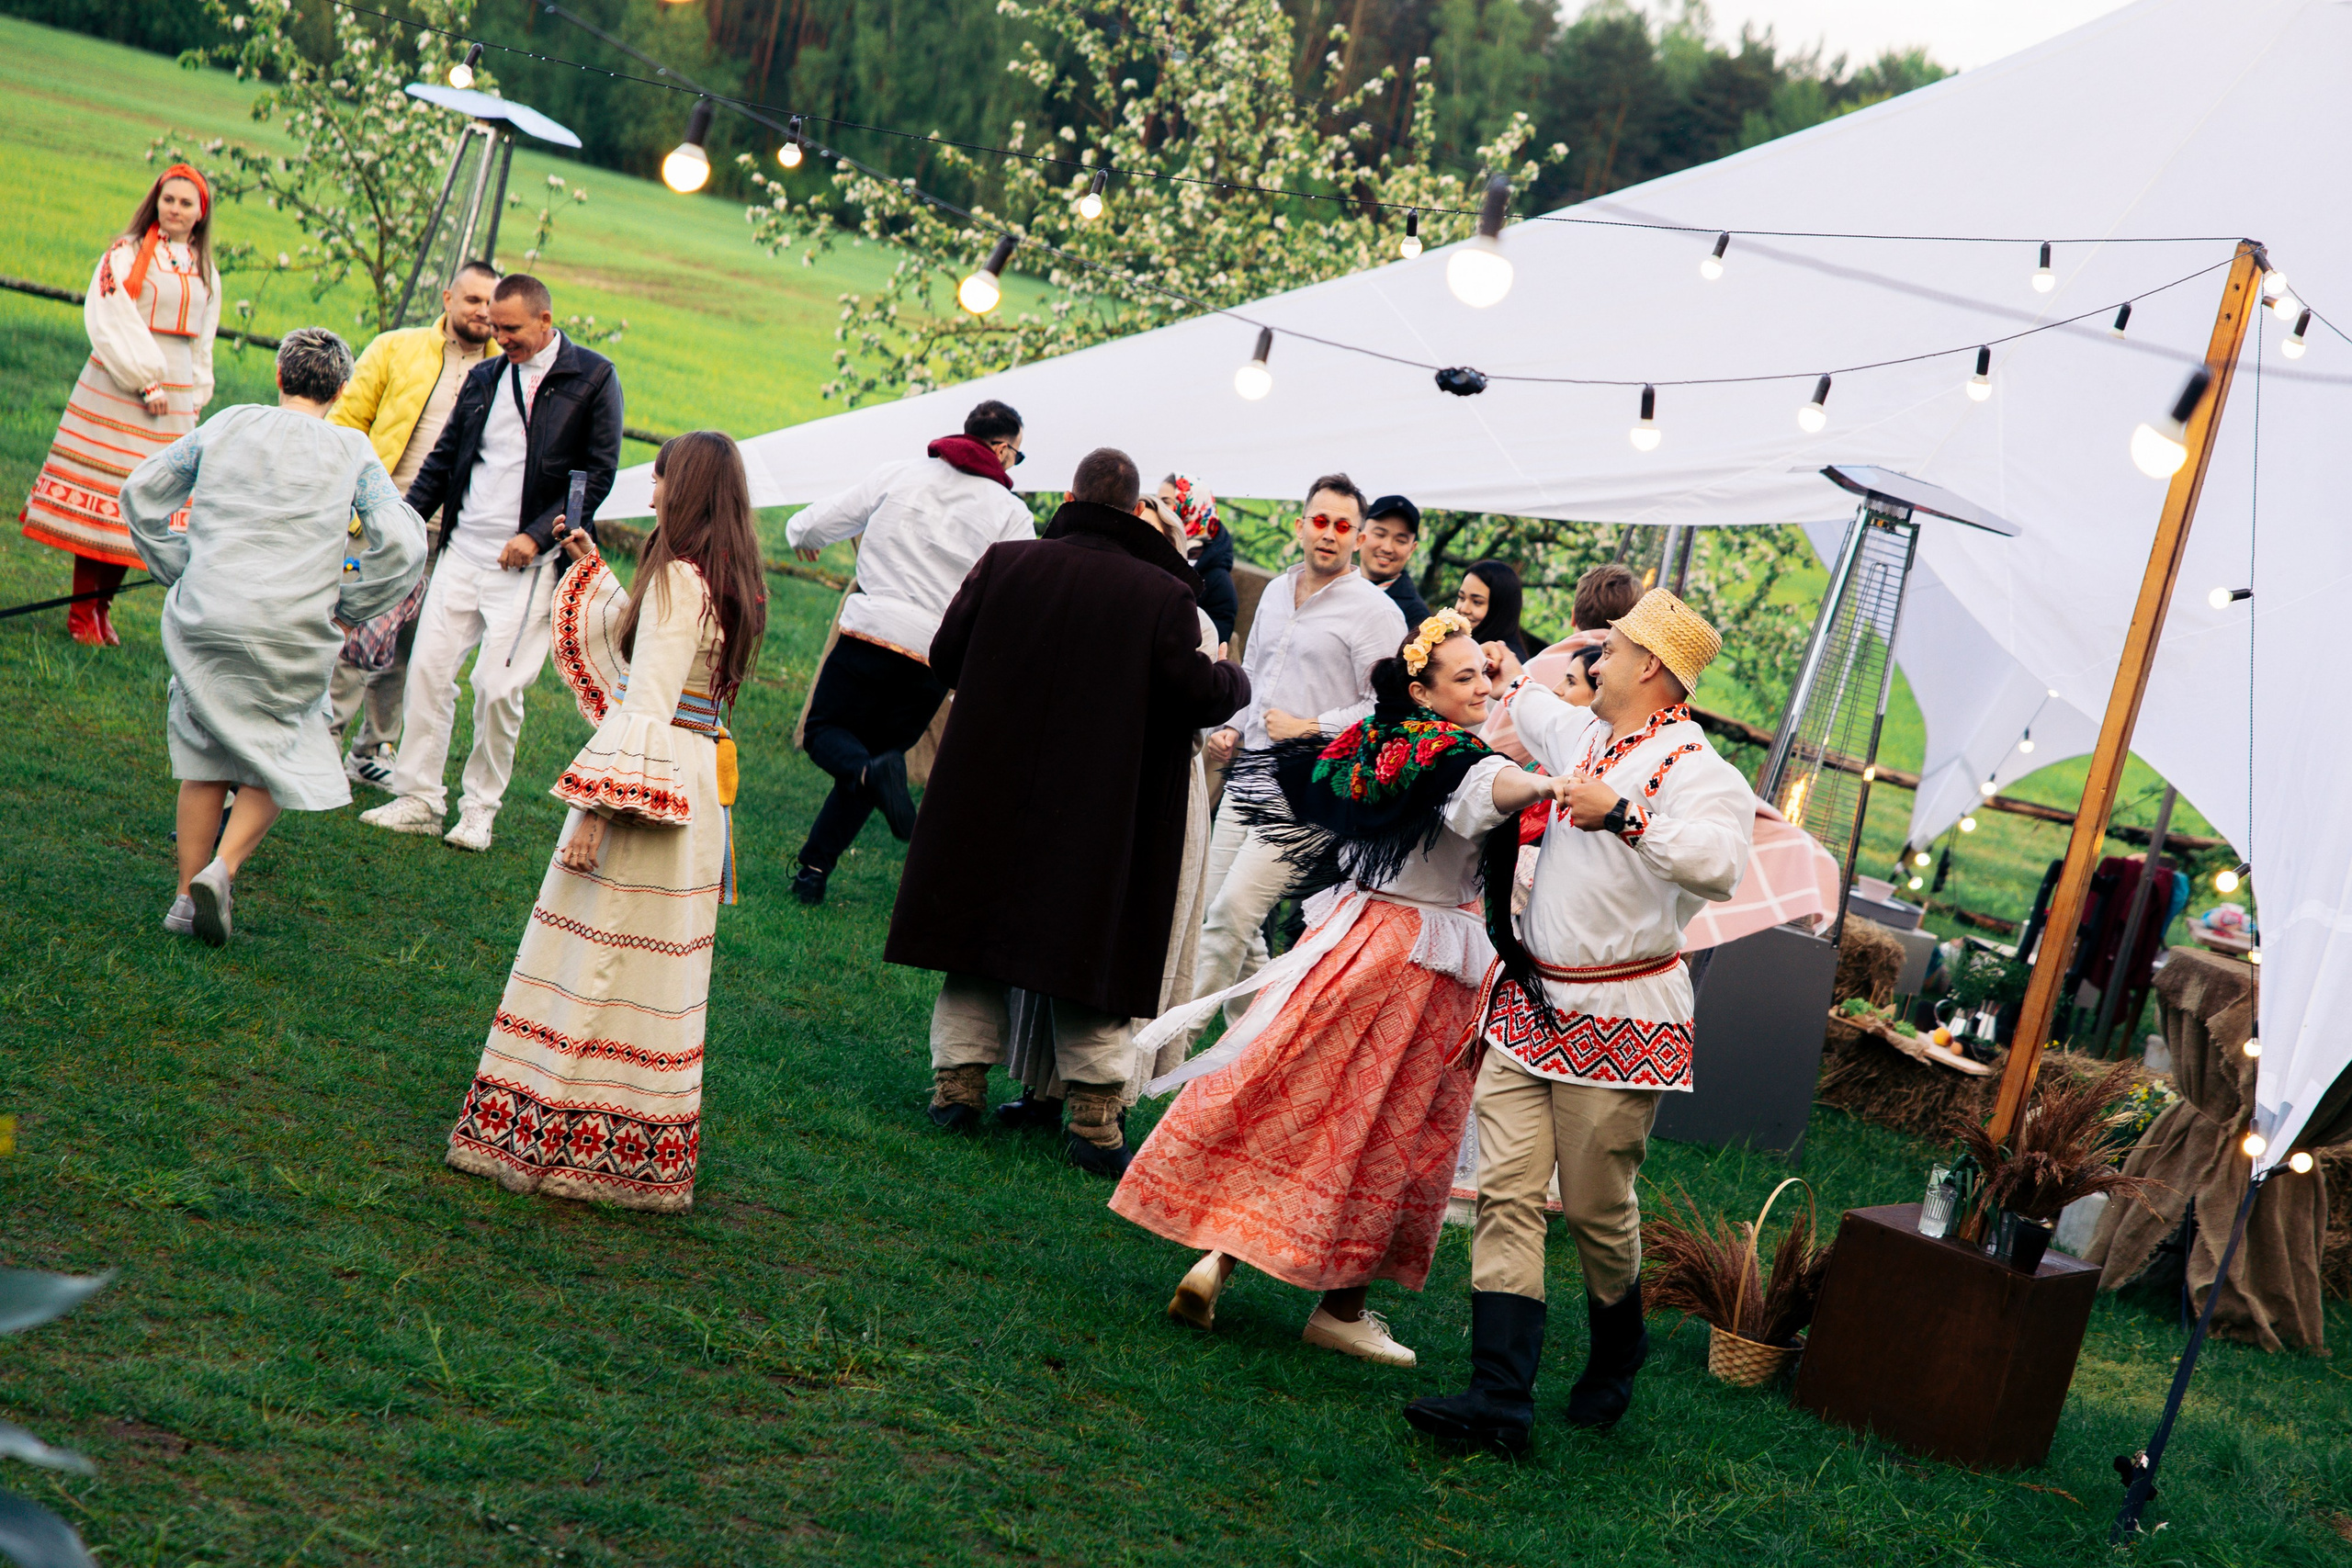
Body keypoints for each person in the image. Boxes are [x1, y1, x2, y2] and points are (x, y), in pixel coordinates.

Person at [1114, 611, 1572, 1367]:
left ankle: (1219, 1257)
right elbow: (1491, 789)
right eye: (1465, 678)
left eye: (1485, 674)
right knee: (1389, 1124)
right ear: (1423, 692)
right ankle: (1341, 1308)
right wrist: (1551, 782)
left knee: (1292, 1087)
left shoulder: (1379, 735)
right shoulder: (1458, 756)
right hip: (1419, 965)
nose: (1483, 687)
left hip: (1350, 936)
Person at [1404, 589, 1754, 1455]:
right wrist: (1493, 664)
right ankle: (1499, 1398)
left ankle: (1617, 1341)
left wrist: (1628, 817)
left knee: (1598, 1209)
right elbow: (1527, 700)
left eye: (1614, 650)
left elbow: (1720, 865)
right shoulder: (1584, 732)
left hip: (1622, 1016)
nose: (1595, 662)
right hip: (1531, 1005)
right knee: (1508, 1194)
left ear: (1653, 670)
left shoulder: (1702, 770)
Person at [885, 447, 1248, 1175]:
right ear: (1133, 509)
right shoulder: (1161, 593)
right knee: (1089, 955)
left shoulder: (1007, 562)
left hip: (992, 786)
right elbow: (1196, 692)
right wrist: (1232, 676)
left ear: (1074, 495)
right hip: (1102, 805)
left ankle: (956, 1088)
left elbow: (946, 654)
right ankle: (1093, 1119)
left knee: (975, 942)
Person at [445, 431, 766, 1214]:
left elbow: (646, 702)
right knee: (658, 969)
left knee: (594, 952)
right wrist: (597, 577)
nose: (649, 489)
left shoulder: (677, 582)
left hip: (644, 788)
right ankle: (632, 1148)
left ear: (678, 486)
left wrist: (595, 808)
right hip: (693, 788)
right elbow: (667, 673)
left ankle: (556, 1134)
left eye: (656, 478)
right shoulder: (731, 580)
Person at [119, 328, 425, 945]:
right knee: (284, 749)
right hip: (292, 624)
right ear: (342, 389)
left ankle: (183, 899)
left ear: (279, 376)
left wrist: (181, 565)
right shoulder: (352, 450)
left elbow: (140, 492)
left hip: (210, 614)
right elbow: (405, 542)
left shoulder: (229, 424)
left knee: (203, 750)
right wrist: (350, 599)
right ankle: (222, 868)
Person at [359, 273, 624, 852]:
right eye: (495, 328)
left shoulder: (594, 378)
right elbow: (444, 459)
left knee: (497, 687)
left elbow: (596, 473)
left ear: (545, 322)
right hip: (462, 551)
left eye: (512, 329)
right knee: (428, 672)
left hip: (529, 568)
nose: (500, 337)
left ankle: (479, 809)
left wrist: (535, 536)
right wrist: (401, 524)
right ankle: (419, 799)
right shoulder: (485, 378)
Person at [782, 400, 1036, 905]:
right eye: (1018, 456)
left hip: (871, 635)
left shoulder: (899, 474)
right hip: (933, 659)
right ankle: (812, 871)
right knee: (876, 759)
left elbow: (812, 524)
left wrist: (804, 537)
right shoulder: (1011, 514)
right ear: (1003, 449)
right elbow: (1021, 596)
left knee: (825, 735)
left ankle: (854, 797)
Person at [1188, 475, 1405, 1036]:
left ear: (1357, 539)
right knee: (1218, 913)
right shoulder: (1280, 591)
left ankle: (1166, 1044)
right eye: (1319, 521)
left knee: (1232, 915)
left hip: (1312, 786)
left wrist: (1313, 726)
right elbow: (1256, 671)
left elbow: (1389, 708)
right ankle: (1254, 1044)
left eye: (1341, 526)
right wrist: (1233, 725)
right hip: (1250, 772)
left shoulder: (1374, 611)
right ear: (1300, 524)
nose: (1328, 534)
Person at [22, 164, 219, 647]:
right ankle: (81, 611)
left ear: (200, 213)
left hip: (171, 397)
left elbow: (203, 341)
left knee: (139, 506)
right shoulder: (125, 254)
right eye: (168, 199)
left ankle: (102, 611)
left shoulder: (205, 267)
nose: (175, 209)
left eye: (185, 203)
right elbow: (110, 317)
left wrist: (193, 395)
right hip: (122, 385)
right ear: (156, 203)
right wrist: (145, 380)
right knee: (105, 499)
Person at [324, 260, 499, 789]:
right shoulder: (395, 348)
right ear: (447, 298)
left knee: (413, 646)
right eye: (472, 300)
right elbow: (346, 423)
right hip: (381, 524)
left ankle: (373, 747)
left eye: (492, 304)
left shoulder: (505, 373)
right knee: (355, 634)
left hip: (453, 537)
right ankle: (323, 739)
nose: (483, 313)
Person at [1481, 561, 1640, 763]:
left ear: (1573, 616)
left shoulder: (1532, 670)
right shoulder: (1633, 681)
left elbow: (1492, 754)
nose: (1556, 690)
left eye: (1571, 681)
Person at [1159, 473, 1237, 650]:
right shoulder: (1157, 554)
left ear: (1190, 507)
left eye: (1166, 502)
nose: (1159, 509)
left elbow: (1212, 643)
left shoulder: (1217, 579)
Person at [1362, 495, 1430, 624]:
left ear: (1412, 549)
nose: (1387, 548)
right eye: (1379, 534)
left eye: (1400, 541)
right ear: (1360, 535)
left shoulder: (1417, 616)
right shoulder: (1334, 587)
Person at [1454, 558, 1530, 660]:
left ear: (1500, 609)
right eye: (1461, 597)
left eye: (1477, 602)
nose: (1464, 609)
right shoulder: (1463, 644)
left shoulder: (1503, 660)